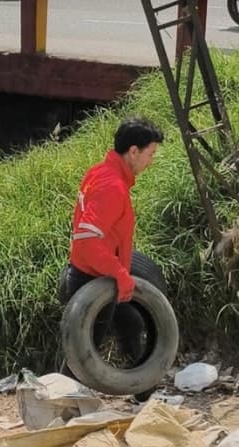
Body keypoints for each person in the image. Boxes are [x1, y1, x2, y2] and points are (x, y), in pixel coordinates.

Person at [59, 117, 164, 375]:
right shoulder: (112, 187)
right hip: (93, 280)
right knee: (82, 358)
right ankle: (60, 397)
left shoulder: (101, 172)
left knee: (132, 325)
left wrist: (120, 273)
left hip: (96, 274)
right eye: (150, 154)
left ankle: (142, 387)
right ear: (133, 151)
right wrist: (119, 273)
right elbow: (87, 241)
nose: (151, 161)